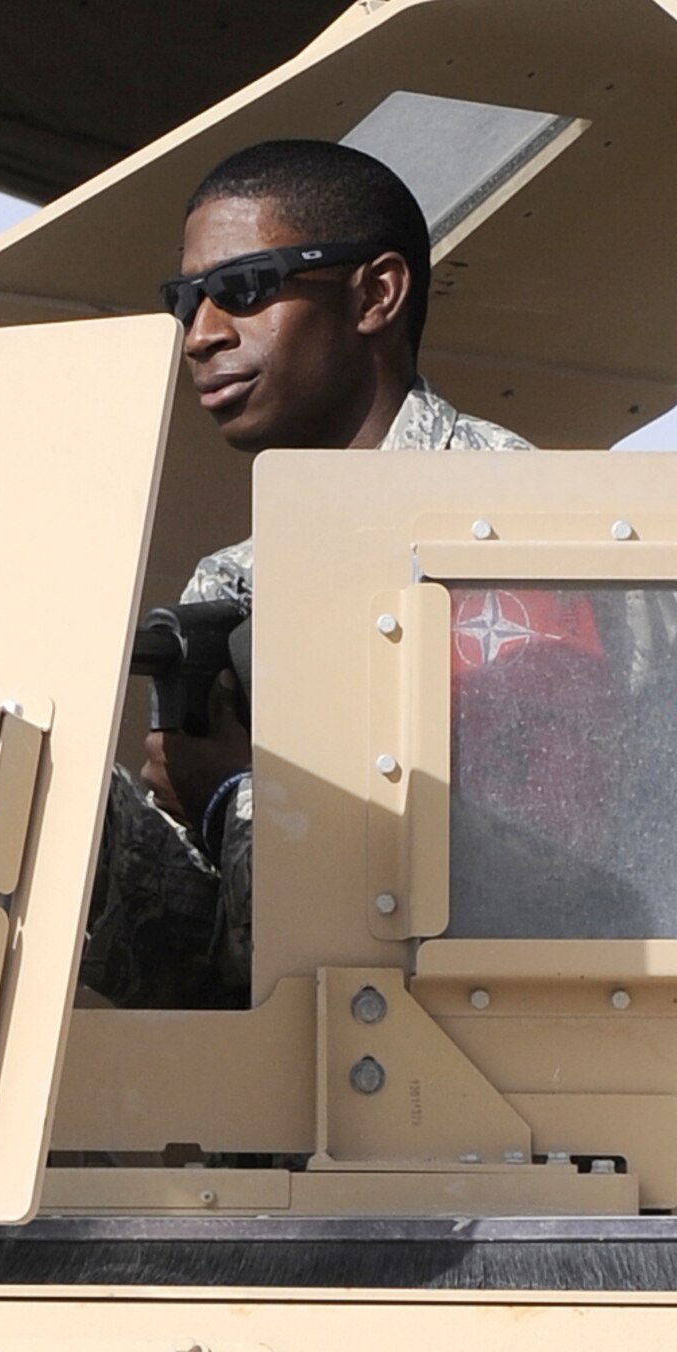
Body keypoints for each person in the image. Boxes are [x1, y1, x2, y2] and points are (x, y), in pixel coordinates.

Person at [80, 139, 530, 1010]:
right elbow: (206, 961)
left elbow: (520, 877)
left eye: (245, 288)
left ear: (375, 295)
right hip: (295, 1073)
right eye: (186, 300)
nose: (202, 335)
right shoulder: (235, 580)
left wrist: (234, 795)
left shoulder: (514, 530)